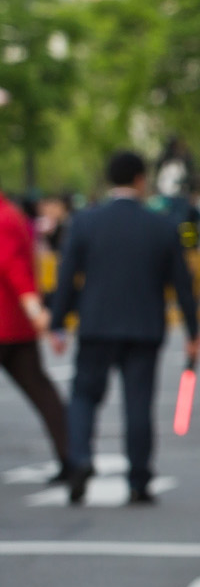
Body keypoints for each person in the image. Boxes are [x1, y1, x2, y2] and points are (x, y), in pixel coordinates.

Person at [47, 150, 200, 507]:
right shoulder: (161, 226)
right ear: (140, 180)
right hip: (143, 327)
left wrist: (57, 324)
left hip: (96, 325)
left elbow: (67, 275)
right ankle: (138, 480)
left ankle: (80, 459)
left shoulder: (85, 223)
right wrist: (194, 332)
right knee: (138, 405)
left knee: (84, 397)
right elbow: (182, 284)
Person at [0, 186, 70, 481]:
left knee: (42, 391)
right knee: (42, 391)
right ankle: (73, 456)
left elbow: (14, 268)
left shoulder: (3, 220)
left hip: (8, 323)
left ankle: (73, 456)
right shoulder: (12, 216)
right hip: (15, 326)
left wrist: (37, 313)